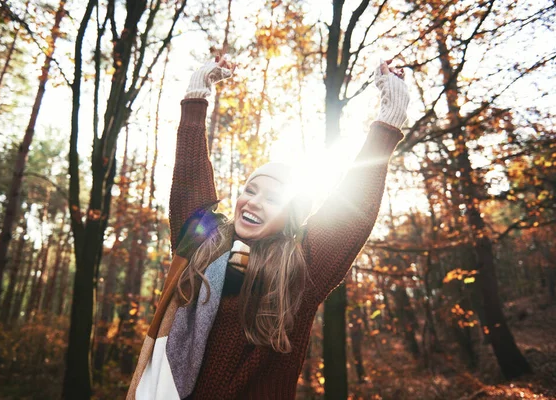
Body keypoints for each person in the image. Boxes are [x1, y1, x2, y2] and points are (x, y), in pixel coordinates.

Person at [127, 55, 409, 400]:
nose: (254, 202)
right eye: (250, 190)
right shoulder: (203, 243)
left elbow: (354, 209)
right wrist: (196, 94)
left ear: (291, 218)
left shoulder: (301, 268)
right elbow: (189, 177)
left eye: (273, 199)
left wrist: (389, 118)